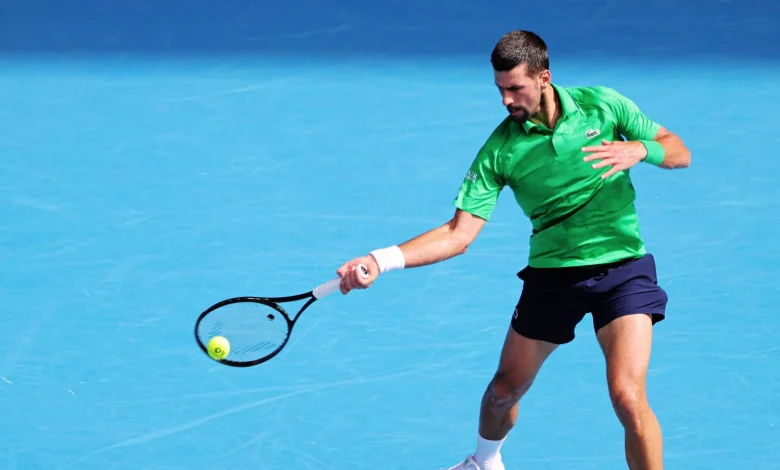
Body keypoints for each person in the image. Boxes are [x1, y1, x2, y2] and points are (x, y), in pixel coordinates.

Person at [336, 30, 690, 470]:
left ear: (544, 77)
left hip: (623, 270)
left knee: (627, 396)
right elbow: (458, 234)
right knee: (503, 391)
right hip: (553, 276)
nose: (506, 100)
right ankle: (484, 463)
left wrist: (640, 149)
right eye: (500, 89)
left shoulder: (603, 104)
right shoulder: (501, 150)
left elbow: (678, 151)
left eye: (515, 88)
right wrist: (380, 260)